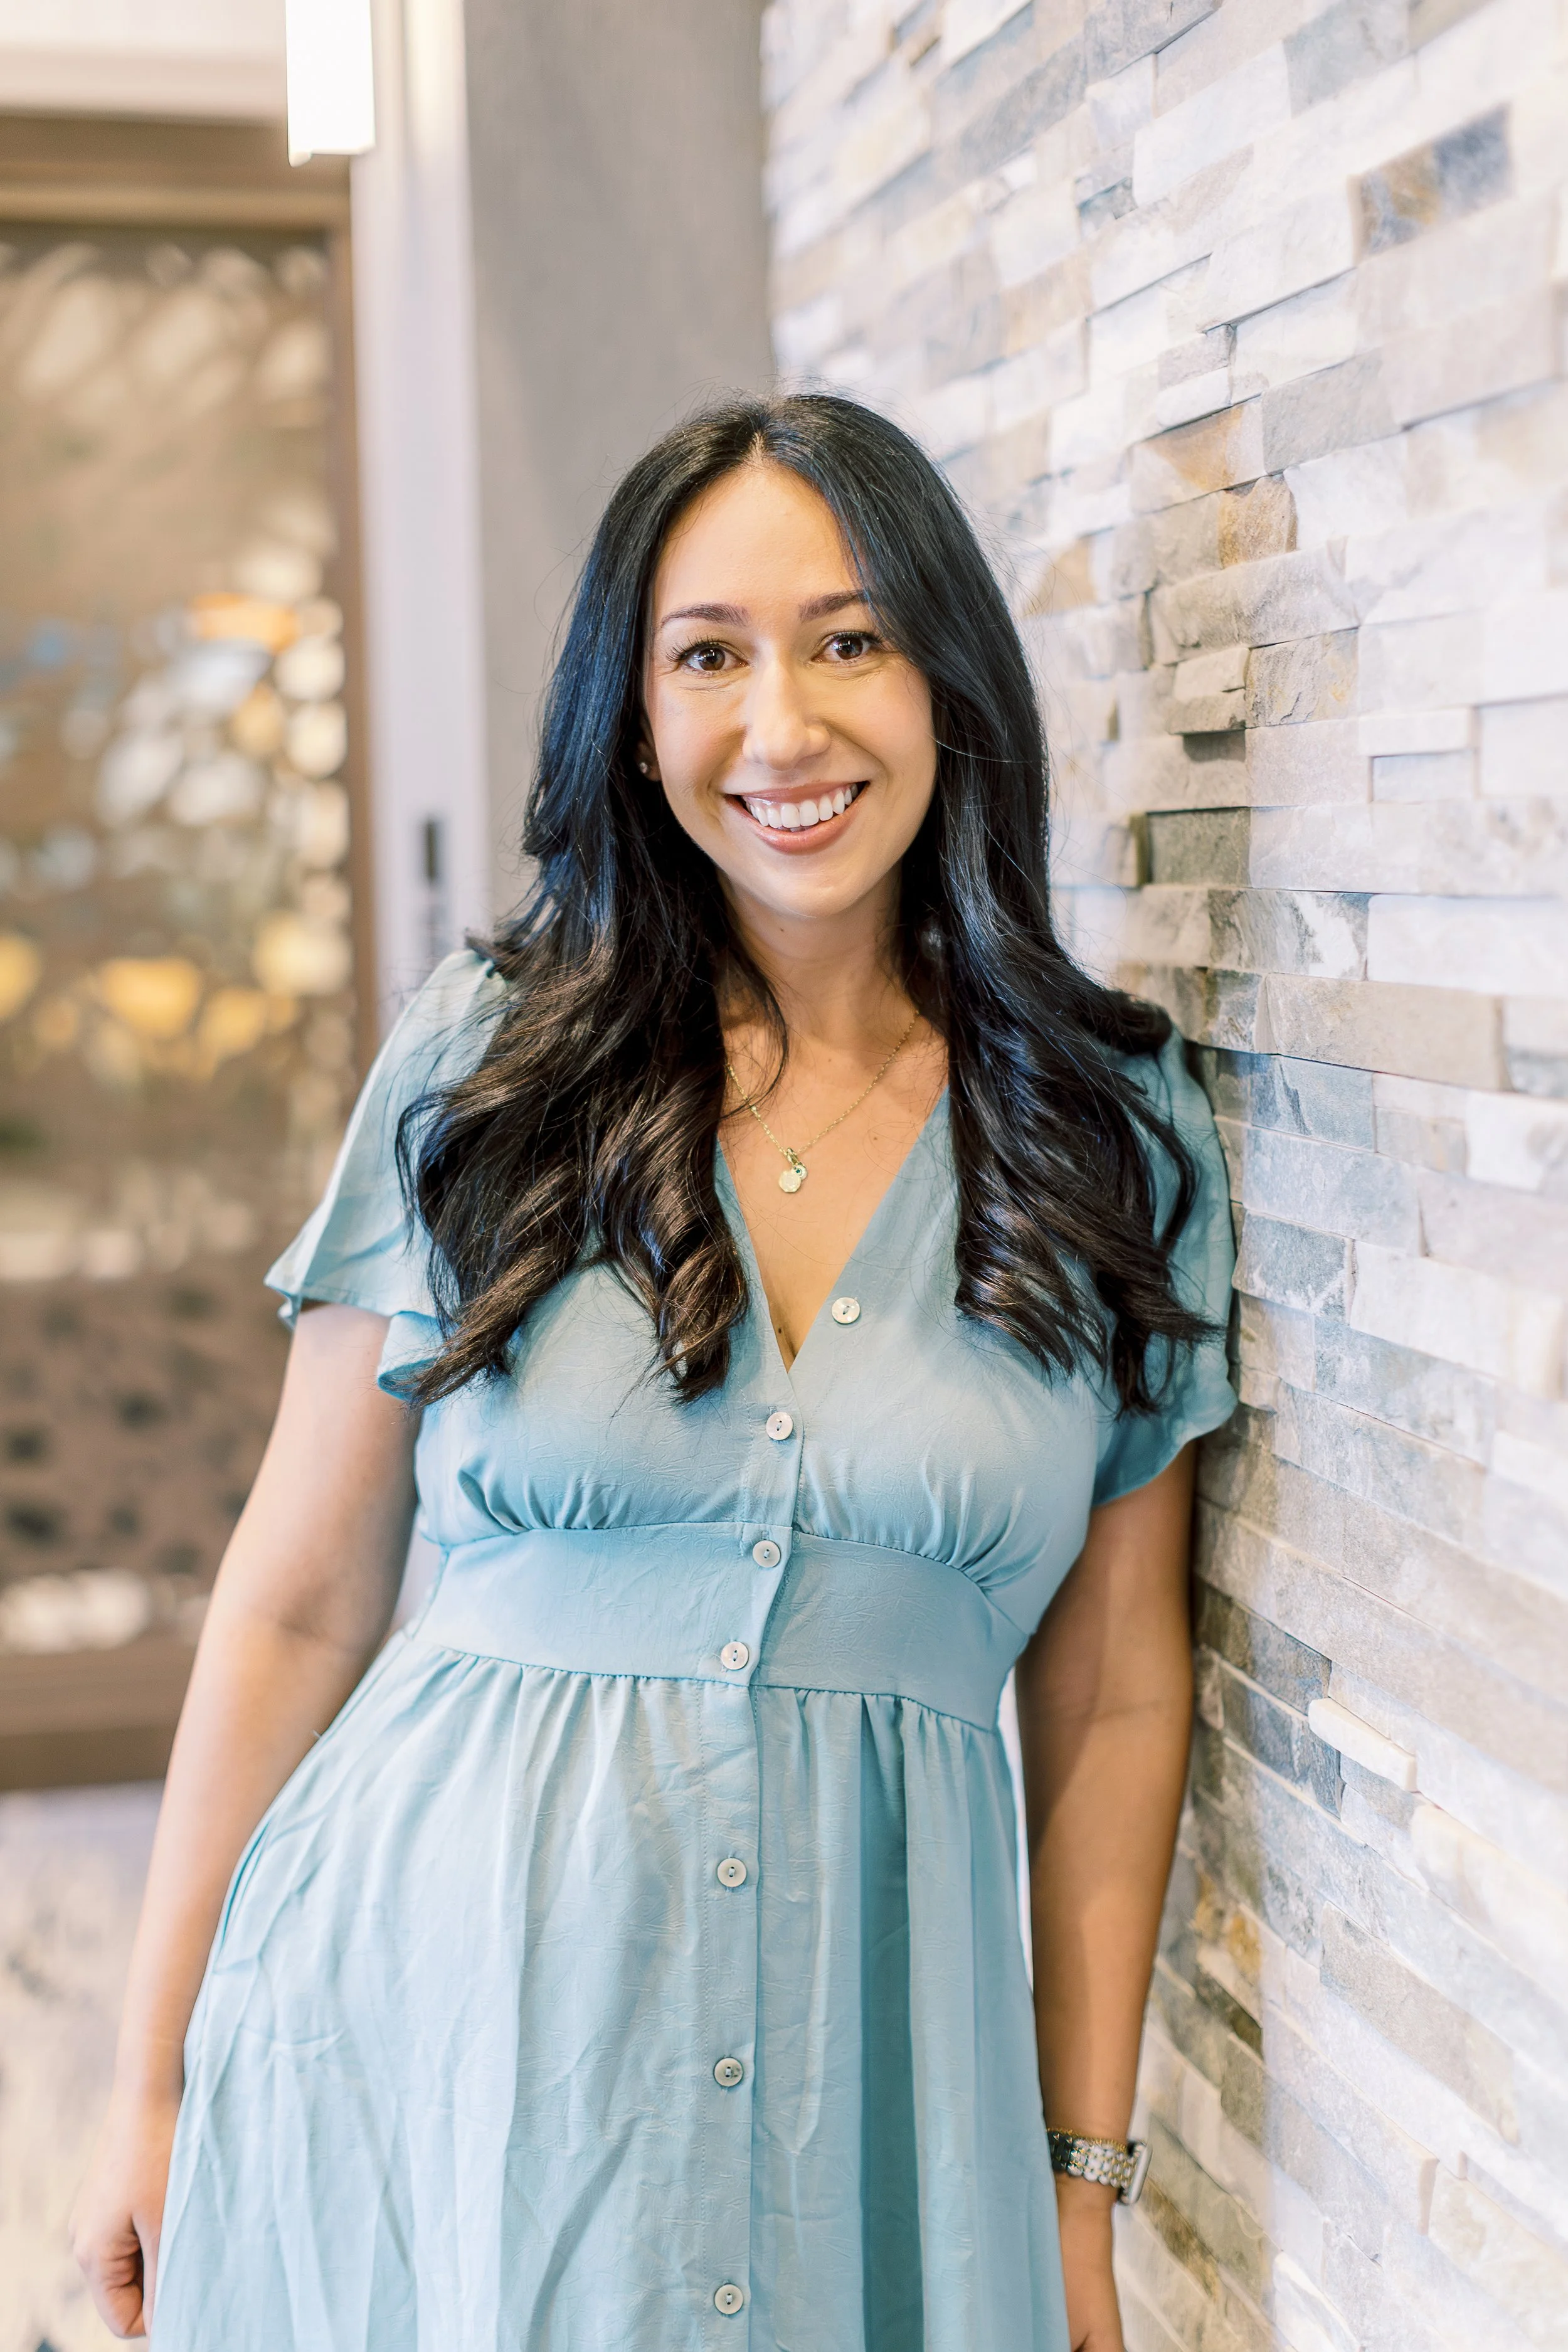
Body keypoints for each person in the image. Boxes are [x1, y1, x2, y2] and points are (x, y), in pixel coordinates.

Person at [72, 393, 1235, 2351]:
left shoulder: (1109, 1122)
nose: (781, 729)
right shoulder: (488, 1062)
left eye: (847, 640)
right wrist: (150, 2078)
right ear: (633, 714)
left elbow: (1115, 1698)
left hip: (881, 2098)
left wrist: (1079, 2180)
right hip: (432, 2050)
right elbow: (290, 1599)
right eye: (709, 656)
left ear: (950, 676)